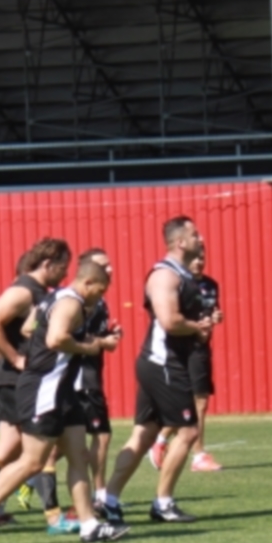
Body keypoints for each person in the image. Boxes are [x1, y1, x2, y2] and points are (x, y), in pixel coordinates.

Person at [0, 258, 127, 543]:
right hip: (44, 389)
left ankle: (89, 525)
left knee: (78, 455)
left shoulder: (54, 298)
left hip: (63, 390)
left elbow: (30, 328)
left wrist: (82, 343)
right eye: (100, 291)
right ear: (88, 282)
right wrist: (90, 346)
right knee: (32, 461)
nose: (100, 297)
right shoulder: (72, 303)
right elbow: (55, 339)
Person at [104, 216, 213, 525]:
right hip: (163, 363)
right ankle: (162, 503)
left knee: (144, 433)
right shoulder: (165, 276)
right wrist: (196, 326)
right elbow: (169, 321)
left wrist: (198, 328)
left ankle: (108, 499)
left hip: (160, 362)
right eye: (195, 234)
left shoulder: (182, 275)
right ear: (180, 242)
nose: (201, 238)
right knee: (189, 430)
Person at [0, 240, 70, 517]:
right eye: (62, 268)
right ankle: (51, 514)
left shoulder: (40, 291)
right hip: (18, 382)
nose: (65, 274)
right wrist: (15, 359)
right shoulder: (23, 291)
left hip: (17, 380)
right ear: (47, 264)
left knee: (10, 449)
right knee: (40, 446)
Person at [149, 240, 224, 473]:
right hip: (179, 347)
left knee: (200, 400)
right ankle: (194, 453)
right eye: (194, 257)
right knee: (190, 401)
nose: (199, 261)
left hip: (201, 347)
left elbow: (210, 311)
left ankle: (165, 442)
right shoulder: (178, 283)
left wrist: (215, 317)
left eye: (202, 257)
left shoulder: (211, 285)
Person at [73, 249, 121, 514]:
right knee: (101, 435)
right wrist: (104, 342)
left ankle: (34, 478)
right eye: (104, 265)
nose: (110, 269)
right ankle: (100, 494)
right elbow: (77, 339)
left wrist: (110, 335)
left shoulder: (99, 301)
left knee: (69, 439)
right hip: (83, 377)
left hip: (90, 373)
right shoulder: (83, 301)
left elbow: (95, 335)